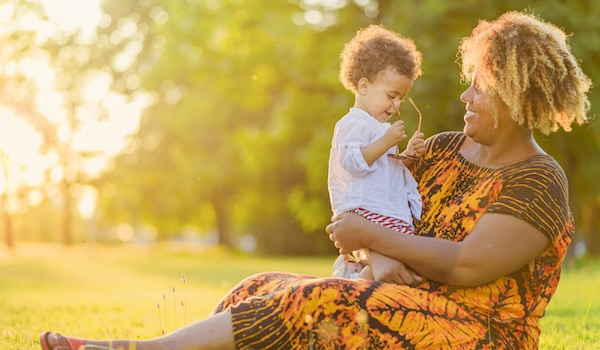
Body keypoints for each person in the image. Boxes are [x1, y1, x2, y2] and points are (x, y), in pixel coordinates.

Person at [40, 10, 591, 350]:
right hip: (399, 299)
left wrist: (370, 238)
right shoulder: (446, 149)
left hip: (474, 335)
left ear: (520, 99)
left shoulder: (540, 181)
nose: (466, 97)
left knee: (320, 303)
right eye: (470, 84)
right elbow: (371, 192)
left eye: (483, 88)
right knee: (257, 289)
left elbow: (469, 264)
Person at [328, 24, 425, 280]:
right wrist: (386, 141)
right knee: (394, 262)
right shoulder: (354, 123)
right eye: (392, 96)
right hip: (367, 211)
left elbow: (383, 166)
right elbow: (353, 161)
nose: (396, 105)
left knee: (403, 260)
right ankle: (353, 279)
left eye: (401, 98)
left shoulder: (378, 126)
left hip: (386, 210)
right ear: (364, 86)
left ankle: (358, 276)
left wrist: (407, 155)